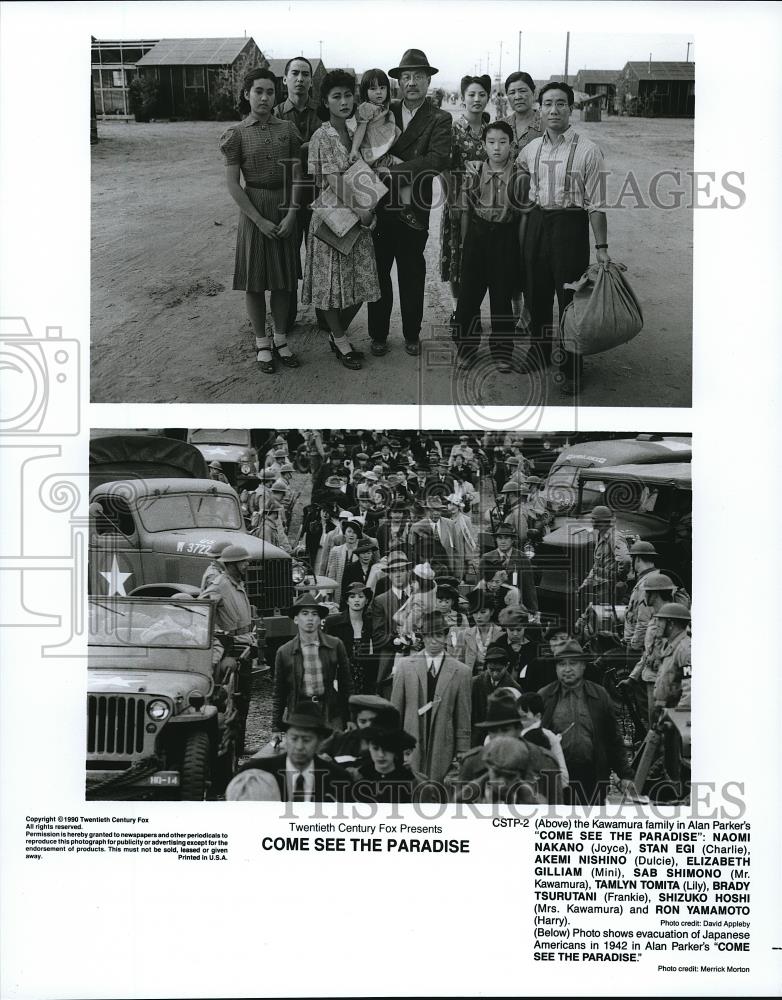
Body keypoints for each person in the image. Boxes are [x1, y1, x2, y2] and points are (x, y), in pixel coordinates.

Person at [517, 81, 610, 395]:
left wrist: (601, 247)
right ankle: (539, 352)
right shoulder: (531, 149)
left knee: (570, 298)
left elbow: (597, 204)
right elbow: (517, 175)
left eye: (560, 103)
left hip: (570, 227)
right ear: (539, 109)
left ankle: (572, 366)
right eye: (547, 104)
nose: (553, 110)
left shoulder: (588, 150)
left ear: (571, 108)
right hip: (537, 223)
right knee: (536, 292)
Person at [367, 48, 451, 358]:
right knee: (379, 272)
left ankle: (412, 333)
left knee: (412, 272)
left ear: (428, 81)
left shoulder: (440, 118)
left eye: (418, 76)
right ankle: (378, 334)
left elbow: (437, 159)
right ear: (399, 82)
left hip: (414, 207)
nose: (412, 82)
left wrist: (393, 169)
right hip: (379, 203)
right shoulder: (382, 111)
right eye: (406, 77)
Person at [220, 68, 303, 374]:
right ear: (247, 94)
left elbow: (297, 176)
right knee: (254, 283)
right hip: (253, 212)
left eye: (270, 92)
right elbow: (233, 184)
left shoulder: (288, 130)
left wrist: (292, 213)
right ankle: (261, 343)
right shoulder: (237, 134)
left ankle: (280, 339)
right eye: (258, 91)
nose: (264, 98)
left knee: (283, 282)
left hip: (284, 209)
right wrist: (258, 220)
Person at [302, 70, 380, 371]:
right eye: (336, 97)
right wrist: (362, 210)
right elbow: (333, 180)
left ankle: (336, 331)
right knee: (331, 283)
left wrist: (369, 208)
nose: (344, 101)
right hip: (333, 216)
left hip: (360, 215)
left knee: (362, 281)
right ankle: (340, 338)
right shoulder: (322, 136)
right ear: (325, 102)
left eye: (348, 95)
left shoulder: (357, 130)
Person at [454, 120, 527, 373]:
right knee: (468, 297)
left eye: (503, 142)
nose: (497, 148)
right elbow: (465, 211)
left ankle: (503, 352)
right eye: (491, 142)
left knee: (501, 298)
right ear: (483, 145)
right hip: (477, 236)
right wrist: (465, 245)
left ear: (512, 145)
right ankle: (466, 349)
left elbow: (522, 216)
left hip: (505, 238)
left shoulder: (519, 176)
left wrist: (519, 248)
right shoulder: (474, 173)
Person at [538, 639, 633, 805]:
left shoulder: (600, 695)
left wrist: (624, 774)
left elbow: (613, 738)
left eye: (573, 663)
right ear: (556, 668)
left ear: (583, 666)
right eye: (562, 664)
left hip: (593, 776)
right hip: (556, 778)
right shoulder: (544, 696)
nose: (567, 669)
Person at [273, 57, 324, 335]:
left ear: (311, 80)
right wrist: (307, 149)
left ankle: (326, 314)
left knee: (321, 255)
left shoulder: (323, 113)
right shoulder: (276, 113)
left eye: (305, 74)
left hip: (319, 193)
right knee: (287, 255)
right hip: (287, 195)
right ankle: (286, 315)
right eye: (295, 73)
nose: (300, 79)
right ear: (285, 79)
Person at [390, 611, 471, 783]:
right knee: (411, 789)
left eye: (439, 635)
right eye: (429, 636)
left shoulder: (462, 671)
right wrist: (394, 745)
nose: (434, 641)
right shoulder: (405, 667)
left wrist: (462, 751)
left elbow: (463, 716)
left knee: (438, 790)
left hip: (443, 746)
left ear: (446, 636)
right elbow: (395, 712)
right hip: (411, 742)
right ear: (422, 637)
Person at [439, 74, 491, 324]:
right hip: (459, 202)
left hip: (488, 205)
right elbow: (444, 168)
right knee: (456, 257)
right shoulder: (454, 130)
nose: (476, 99)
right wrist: (452, 202)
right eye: (471, 94)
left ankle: (474, 309)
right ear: (463, 98)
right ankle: (458, 310)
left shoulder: (493, 131)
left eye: (482, 94)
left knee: (480, 259)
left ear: (488, 97)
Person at [227, 702, 353, 802]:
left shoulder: (338, 779)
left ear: (319, 742)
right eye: (294, 738)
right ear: (286, 738)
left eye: (307, 740)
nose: (299, 746)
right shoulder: (258, 773)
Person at [199, 544, 256, 751]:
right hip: (233, 645)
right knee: (235, 698)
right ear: (231, 564)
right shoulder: (220, 585)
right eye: (243, 562)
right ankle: (234, 748)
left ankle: (239, 745)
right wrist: (217, 634)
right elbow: (202, 609)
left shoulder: (237, 583)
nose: (247, 565)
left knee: (244, 697)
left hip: (245, 643)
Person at [271, 593, 353, 734]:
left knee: (332, 747)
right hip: (299, 714)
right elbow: (279, 692)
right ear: (296, 619)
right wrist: (276, 728)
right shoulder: (284, 652)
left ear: (320, 619)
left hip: (330, 713)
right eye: (304, 613)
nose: (310, 618)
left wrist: (350, 718)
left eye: (314, 614)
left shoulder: (335, 645)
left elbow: (347, 685)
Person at [348, 69, 419, 231]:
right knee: (373, 188)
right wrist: (354, 149)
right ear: (364, 91)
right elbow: (360, 129)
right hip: (369, 154)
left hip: (382, 154)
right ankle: (374, 214)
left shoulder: (385, 107)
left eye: (382, 87)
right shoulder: (366, 108)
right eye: (373, 89)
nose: (379, 92)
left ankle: (406, 207)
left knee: (405, 170)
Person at [324, 583, 377, 693]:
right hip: (340, 683)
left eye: (361, 597)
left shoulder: (371, 624)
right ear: (347, 601)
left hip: (367, 683)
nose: (356, 600)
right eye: (352, 597)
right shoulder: (333, 623)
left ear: (367, 600)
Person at [577, 504, 631, 609]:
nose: (591, 521)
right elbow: (597, 566)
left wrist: (619, 577)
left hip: (611, 589)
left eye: (594, 519)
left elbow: (626, 560)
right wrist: (585, 583)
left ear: (601, 521)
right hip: (601, 588)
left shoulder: (614, 537)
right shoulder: (601, 536)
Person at [479, 523, 538, 613]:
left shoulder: (522, 558)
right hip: (493, 609)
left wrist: (533, 612)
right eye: (500, 538)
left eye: (506, 538)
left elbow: (528, 588)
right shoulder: (486, 558)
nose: (503, 542)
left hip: (514, 609)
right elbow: (480, 587)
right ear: (496, 539)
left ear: (512, 540)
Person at [353, 726, 419, 803]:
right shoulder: (359, 776)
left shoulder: (409, 780)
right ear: (369, 748)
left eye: (387, 749)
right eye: (375, 748)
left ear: (395, 750)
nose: (381, 755)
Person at [471, 645, 521, 743]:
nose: (494, 674)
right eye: (491, 669)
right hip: (476, 738)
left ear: (507, 666)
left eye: (499, 670)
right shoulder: (474, 683)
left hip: (501, 738)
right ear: (486, 666)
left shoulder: (515, 688)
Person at [623, 540, 660, 653]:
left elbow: (643, 621)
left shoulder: (647, 583)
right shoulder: (654, 577)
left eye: (632, 558)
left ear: (638, 559)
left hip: (641, 647)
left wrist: (634, 646)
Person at [502, 71, 542, 159]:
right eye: (512, 92)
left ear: (534, 93)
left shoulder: (547, 126)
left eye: (522, 91)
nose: (517, 97)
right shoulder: (501, 125)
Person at [411, 496, 456, 573]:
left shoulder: (450, 524)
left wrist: (457, 574)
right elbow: (412, 553)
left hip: (447, 571)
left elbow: (456, 550)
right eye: (432, 510)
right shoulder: (417, 527)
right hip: (425, 572)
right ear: (427, 510)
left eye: (438, 510)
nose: (436, 513)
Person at [463, 589, 504, 672]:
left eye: (483, 612)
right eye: (475, 612)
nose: (478, 616)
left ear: (491, 612)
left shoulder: (501, 633)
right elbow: (460, 663)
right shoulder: (466, 634)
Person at [325, 518, 363, 606]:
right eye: (349, 531)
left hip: (356, 590)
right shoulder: (336, 550)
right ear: (344, 534)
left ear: (358, 535)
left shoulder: (361, 552)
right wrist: (329, 592)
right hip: (340, 589)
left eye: (354, 532)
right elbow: (331, 573)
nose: (351, 535)